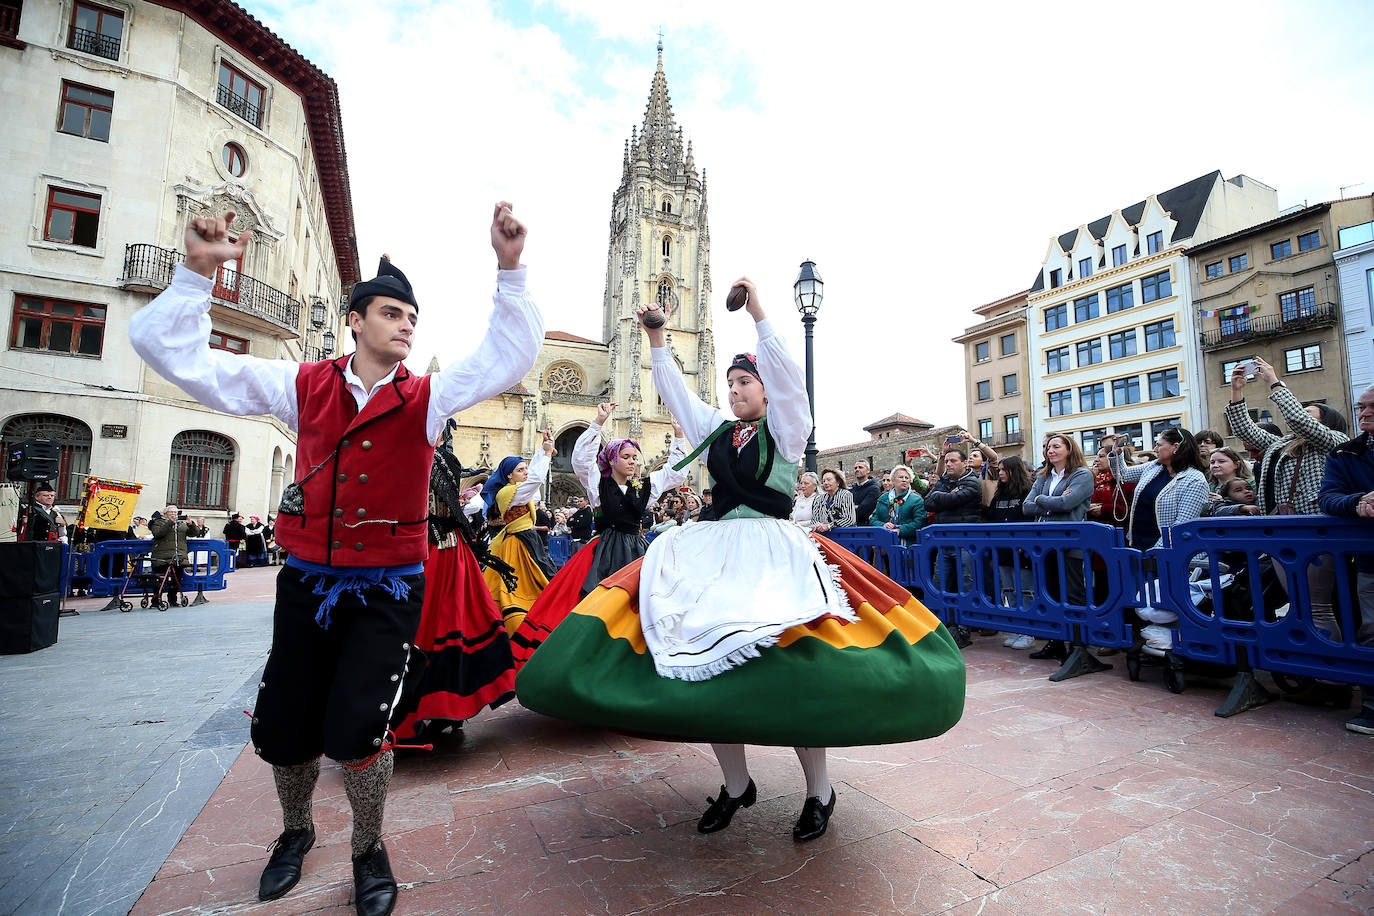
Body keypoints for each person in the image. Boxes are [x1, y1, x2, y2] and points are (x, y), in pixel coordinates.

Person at [129, 202, 542, 914]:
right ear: (355, 320)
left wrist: (510, 271)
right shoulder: (301, 385)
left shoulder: (430, 397)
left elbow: (506, 358)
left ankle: (367, 846)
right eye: (390, 313)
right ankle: (294, 832)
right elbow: (186, 363)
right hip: (308, 581)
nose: (406, 326)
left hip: (388, 586)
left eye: (412, 317)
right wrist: (196, 274)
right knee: (285, 722)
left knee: (360, 724)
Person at [516, 278, 964, 845]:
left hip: (776, 559)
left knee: (805, 672)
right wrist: (657, 338)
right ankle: (735, 784)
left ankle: (819, 791)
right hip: (716, 559)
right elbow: (677, 394)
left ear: (764, 389)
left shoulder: (785, 428)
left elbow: (789, 385)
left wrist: (759, 314)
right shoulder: (716, 432)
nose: (734, 391)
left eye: (744, 382)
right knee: (712, 674)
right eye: (730, 384)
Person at [510, 402, 687, 667]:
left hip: (636, 550)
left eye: (634, 457)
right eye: (626, 457)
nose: (632, 462)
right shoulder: (598, 483)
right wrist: (598, 422)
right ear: (612, 459)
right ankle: (590, 659)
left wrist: (679, 436)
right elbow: (581, 460)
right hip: (604, 550)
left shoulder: (644, 487)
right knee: (596, 598)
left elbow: (676, 472)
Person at [393, 447, 517, 743]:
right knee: (439, 625)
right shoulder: (421, 455)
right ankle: (439, 709)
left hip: (443, 553)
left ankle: (444, 708)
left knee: (443, 624)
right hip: (434, 552)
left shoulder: (438, 458)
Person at [1225, 357, 1349, 639]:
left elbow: (1297, 420)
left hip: (1315, 531)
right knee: (1300, 604)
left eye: (1310, 413)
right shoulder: (1282, 444)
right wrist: (1237, 390)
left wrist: (1273, 382)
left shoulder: (1335, 441)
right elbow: (1245, 431)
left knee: (1318, 607)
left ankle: (1329, 669)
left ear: (1326, 422)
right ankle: (1307, 659)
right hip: (1283, 528)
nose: (1301, 417)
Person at [1109, 427, 1210, 654]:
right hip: (1139, 544)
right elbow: (1123, 474)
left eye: (1159, 444)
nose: (1155, 448)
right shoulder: (1154, 468)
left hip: (1166, 552)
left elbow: (1183, 525)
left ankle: (1170, 643)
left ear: (1175, 447)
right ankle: (1141, 639)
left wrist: (1156, 552)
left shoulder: (1194, 479)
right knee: (1137, 596)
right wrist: (1116, 453)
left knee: (1160, 603)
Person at [1318, 384, 1374, 734]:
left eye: (1373, 408)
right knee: (1372, 631)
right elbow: (1327, 498)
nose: (1365, 413)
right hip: (1371, 560)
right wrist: (1357, 502)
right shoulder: (1345, 454)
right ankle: (1371, 706)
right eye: (1360, 407)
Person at [1020, 434, 1094, 660]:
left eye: (1056, 446)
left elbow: (1067, 504)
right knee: (1050, 593)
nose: (1050, 451)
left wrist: (1042, 501)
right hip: (1043, 544)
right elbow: (1026, 507)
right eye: (1049, 447)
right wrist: (1051, 502)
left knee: (1073, 593)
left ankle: (1079, 645)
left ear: (1069, 450)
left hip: (1069, 543)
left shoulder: (1082, 474)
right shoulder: (1043, 476)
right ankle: (1056, 641)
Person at [481, 431, 558, 636]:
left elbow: (532, 473)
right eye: (519, 470)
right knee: (526, 583)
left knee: (539, 576)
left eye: (524, 468)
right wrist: (547, 454)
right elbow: (535, 479)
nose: (525, 472)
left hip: (525, 538)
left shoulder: (515, 489)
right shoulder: (509, 492)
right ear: (509, 475)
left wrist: (544, 449)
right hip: (520, 542)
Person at [924, 446, 983, 647]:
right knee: (939, 584)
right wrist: (945, 496)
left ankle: (964, 629)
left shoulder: (972, 482)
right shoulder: (944, 481)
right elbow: (928, 502)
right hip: (944, 542)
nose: (948, 464)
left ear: (964, 463)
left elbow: (954, 499)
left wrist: (943, 497)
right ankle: (942, 627)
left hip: (965, 542)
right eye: (946, 461)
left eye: (953, 461)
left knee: (966, 585)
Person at [983, 457, 1035, 648]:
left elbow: (1031, 518)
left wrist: (1024, 543)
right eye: (1000, 469)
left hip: (1022, 551)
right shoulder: (999, 494)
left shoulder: (1027, 491)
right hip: (1002, 550)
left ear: (1014, 471)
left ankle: (1029, 632)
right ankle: (1016, 629)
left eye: (1004, 470)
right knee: (1010, 591)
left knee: (1025, 591)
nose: (1001, 473)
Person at [870, 464, 925, 545]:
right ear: (893, 480)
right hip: (885, 544)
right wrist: (883, 525)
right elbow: (873, 519)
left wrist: (900, 530)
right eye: (901, 477)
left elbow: (919, 522)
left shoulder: (916, 500)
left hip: (909, 545)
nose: (904, 480)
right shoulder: (883, 498)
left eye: (907, 478)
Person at [148, 505, 191, 607]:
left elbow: (194, 533)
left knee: (177, 579)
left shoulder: (181, 524)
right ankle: (156, 600)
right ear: (165, 514)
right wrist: (170, 522)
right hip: (162, 556)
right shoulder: (158, 522)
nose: (174, 514)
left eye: (175, 513)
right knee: (160, 579)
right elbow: (158, 534)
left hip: (178, 557)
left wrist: (191, 524)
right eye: (171, 512)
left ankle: (172, 600)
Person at [811, 467, 855, 533]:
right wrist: (818, 526)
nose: (825, 483)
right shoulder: (819, 498)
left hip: (844, 534)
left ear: (838, 481)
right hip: (823, 535)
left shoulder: (846, 495)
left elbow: (849, 519)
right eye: (824, 481)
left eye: (829, 480)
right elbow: (814, 519)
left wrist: (829, 526)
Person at [850, 459, 880, 527]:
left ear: (868, 470)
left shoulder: (874, 489)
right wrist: (855, 507)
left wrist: (851, 508)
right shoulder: (851, 491)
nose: (857, 469)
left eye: (860, 467)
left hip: (866, 528)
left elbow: (863, 512)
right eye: (855, 468)